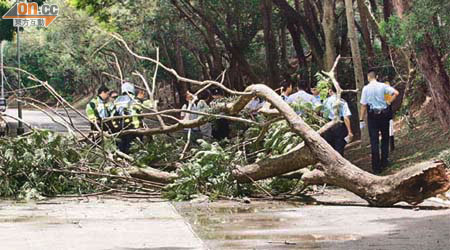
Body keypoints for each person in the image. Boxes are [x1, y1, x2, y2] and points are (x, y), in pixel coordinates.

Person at [360, 70, 399, 174]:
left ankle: (376, 167)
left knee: (374, 141)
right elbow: (396, 93)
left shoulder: (365, 88)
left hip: (372, 116)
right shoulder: (383, 86)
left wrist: (361, 119)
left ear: (368, 78)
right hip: (384, 114)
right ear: (376, 76)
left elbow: (363, 105)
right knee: (385, 138)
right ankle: (384, 162)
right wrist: (389, 101)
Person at [322, 86, 353, 156]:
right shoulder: (342, 102)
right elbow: (346, 117)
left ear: (331, 91)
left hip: (328, 126)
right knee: (339, 148)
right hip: (339, 126)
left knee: (330, 149)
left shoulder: (325, 101)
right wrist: (349, 131)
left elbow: (323, 115)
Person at [113, 82, 142, 153]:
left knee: (121, 147)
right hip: (134, 127)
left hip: (120, 128)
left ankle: (120, 160)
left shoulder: (117, 100)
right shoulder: (135, 99)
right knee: (133, 148)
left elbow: (113, 113)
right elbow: (140, 110)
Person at [384, 81, 395, 152]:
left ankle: (392, 146)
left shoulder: (389, 94)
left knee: (390, 131)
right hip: (385, 115)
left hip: (389, 115)